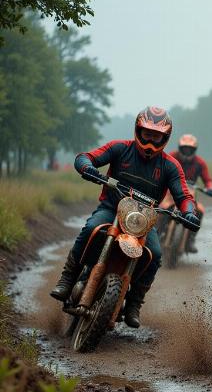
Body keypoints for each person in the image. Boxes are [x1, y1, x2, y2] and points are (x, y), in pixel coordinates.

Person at [50, 106, 200, 328]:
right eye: (147, 133)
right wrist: (87, 168)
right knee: (91, 227)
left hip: (144, 220)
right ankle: (67, 279)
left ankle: (134, 303)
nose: (150, 140)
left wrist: (189, 212)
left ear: (165, 137)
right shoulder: (119, 148)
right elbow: (86, 157)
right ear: (138, 130)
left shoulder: (170, 165)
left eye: (156, 136)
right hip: (111, 210)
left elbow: (184, 195)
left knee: (155, 254)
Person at [168, 134, 212, 252]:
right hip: (169, 194)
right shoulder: (171, 157)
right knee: (160, 209)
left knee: (199, 211)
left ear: (194, 150)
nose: (186, 152)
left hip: (190, 194)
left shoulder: (200, 163)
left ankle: (190, 240)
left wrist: (210, 188)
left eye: (189, 149)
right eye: (184, 149)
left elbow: (208, 180)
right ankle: (153, 233)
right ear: (180, 148)